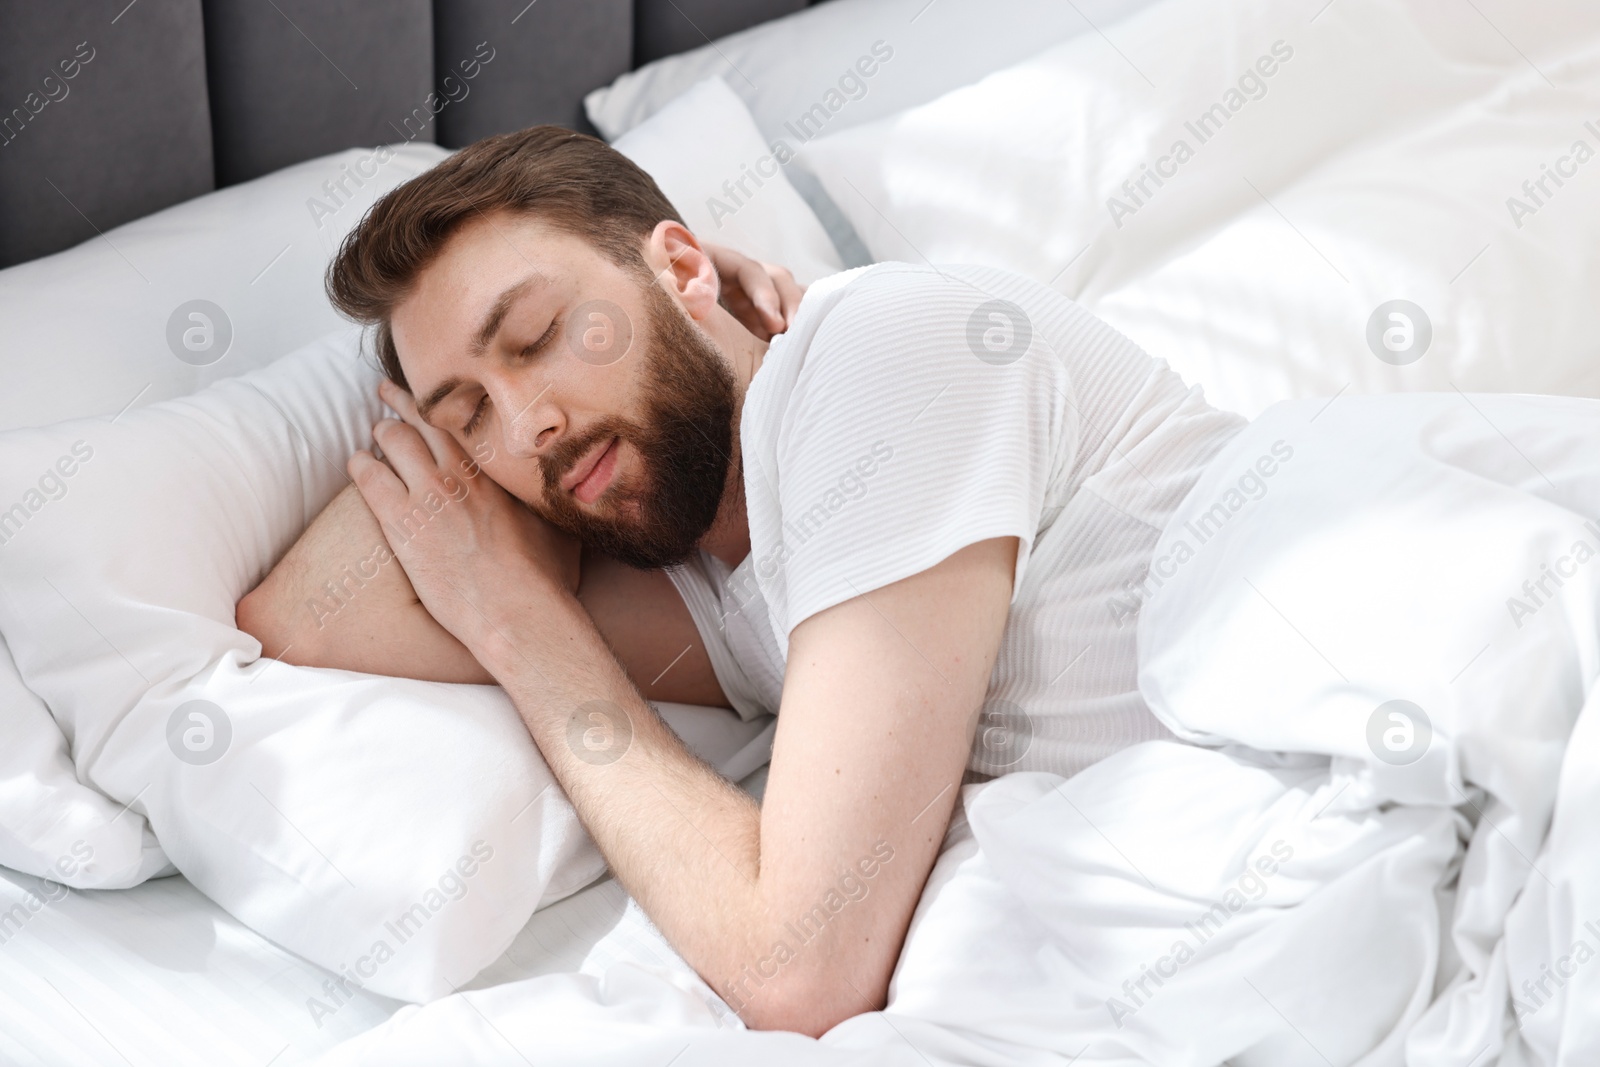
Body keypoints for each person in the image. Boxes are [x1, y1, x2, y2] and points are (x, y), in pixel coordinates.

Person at [235, 125, 1247, 1036]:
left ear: (682, 262)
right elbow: (306, 615)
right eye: (468, 419)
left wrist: (519, 623)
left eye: (541, 335)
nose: (525, 425)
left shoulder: (882, 349)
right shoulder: (723, 587)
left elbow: (800, 967)